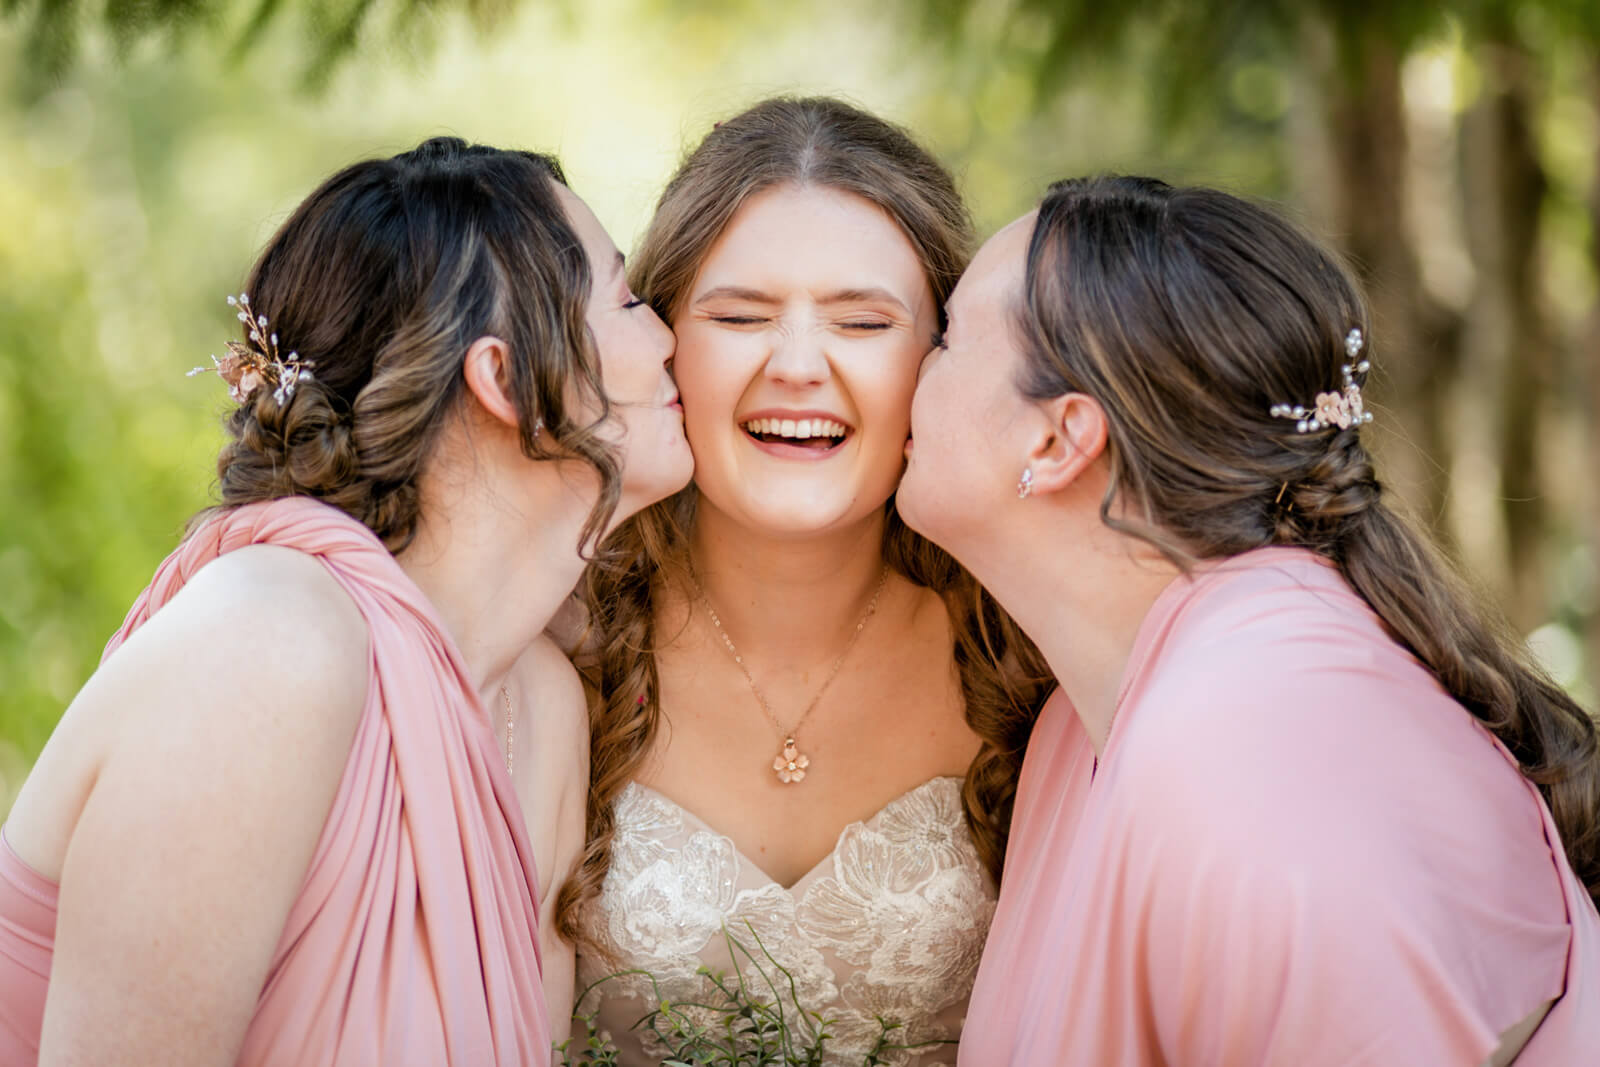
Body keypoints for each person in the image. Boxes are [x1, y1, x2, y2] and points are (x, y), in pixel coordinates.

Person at [0, 136, 692, 1066]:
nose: (669, 337)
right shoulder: (267, 646)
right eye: (630, 298)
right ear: (505, 381)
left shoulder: (543, 709)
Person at [898, 175, 1600, 1065]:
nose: (909, 366)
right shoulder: (1088, 722)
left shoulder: (1259, 750)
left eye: (948, 334)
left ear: (1058, 438)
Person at [557, 97, 1050, 1064]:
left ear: (943, 356)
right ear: (660, 344)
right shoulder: (553, 648)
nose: (795, 367)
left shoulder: (1028, 652)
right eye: (739, 316)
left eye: (862, 322)